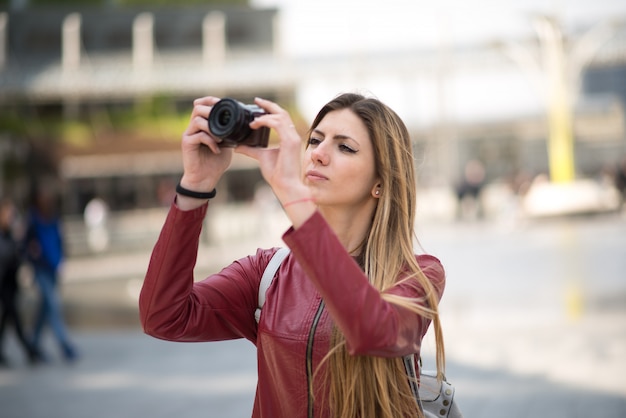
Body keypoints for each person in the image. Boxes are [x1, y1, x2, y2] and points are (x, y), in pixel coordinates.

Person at [139, 93, 446, 418]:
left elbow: (374, 332)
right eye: (314, 141)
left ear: (381, 182)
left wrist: (291, 193)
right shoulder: (268, 273)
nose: (319, 155)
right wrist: (196, 185)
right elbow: (164, 317)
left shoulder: (418, 275)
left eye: (345, 147)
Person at [25, 187, 78, 362]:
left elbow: (59, 239)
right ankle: (64, 345)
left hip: (53, 266)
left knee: (45, 307)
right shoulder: (33, 220)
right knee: (53, 304)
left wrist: (62, 259)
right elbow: (26, 245)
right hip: (41, 268)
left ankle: (32, 345)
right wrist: (34, 256)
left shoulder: (53, 217)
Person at [0, 197, 41, 366]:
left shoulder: (11, 235)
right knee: (14, 318)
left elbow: (19, 255)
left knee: (7, 318)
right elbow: (7, 255)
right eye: (9, 214)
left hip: (10, 282)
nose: (12, 217)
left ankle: (27, 350)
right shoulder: (5, 236)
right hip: (2, 283)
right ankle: (29, 350)